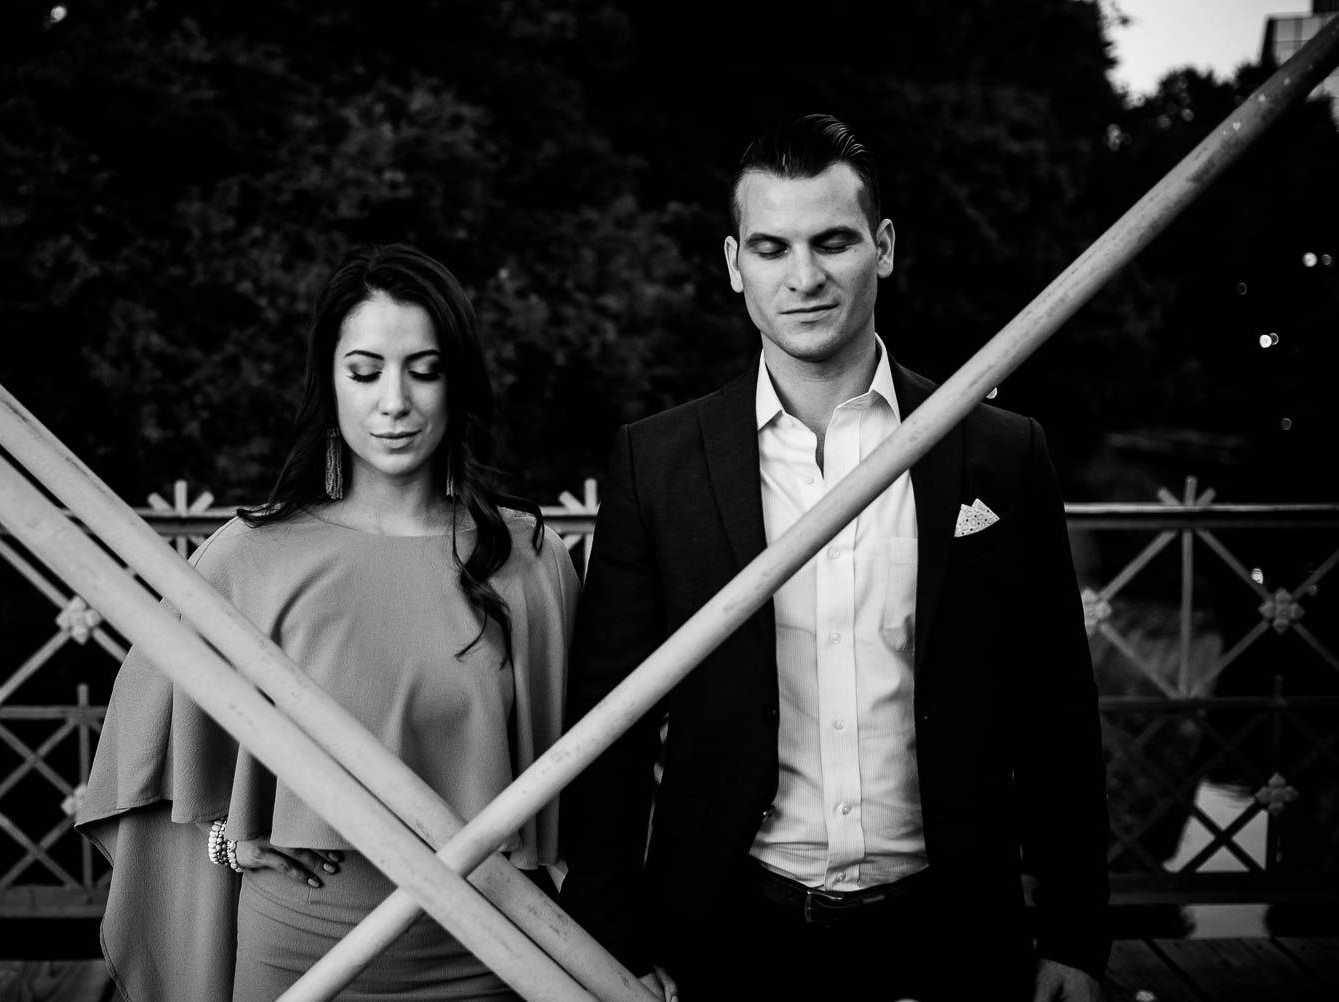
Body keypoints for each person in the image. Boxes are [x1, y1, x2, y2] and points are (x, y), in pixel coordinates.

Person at [559, 114, 1109, 1002]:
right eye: (772, 248)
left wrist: (1077, 936)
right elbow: (608, 731)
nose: (804, 277)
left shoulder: (1001, 453)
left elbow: (1055, 713)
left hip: (954, 932)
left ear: (883, 248)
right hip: (728, 932)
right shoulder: (656, 463)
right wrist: (609, 943)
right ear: (735, 264)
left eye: (834, 242)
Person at [77, 244, 576, 1001]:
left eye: (425, 369)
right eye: (366, 370)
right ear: (330, 383)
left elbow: (593, 795)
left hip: (490, 952)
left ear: (458, 382)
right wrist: (225, 843)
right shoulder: (249, 557)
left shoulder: (530, 561)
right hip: (299, 952)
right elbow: (138, 768)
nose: (395, 401)